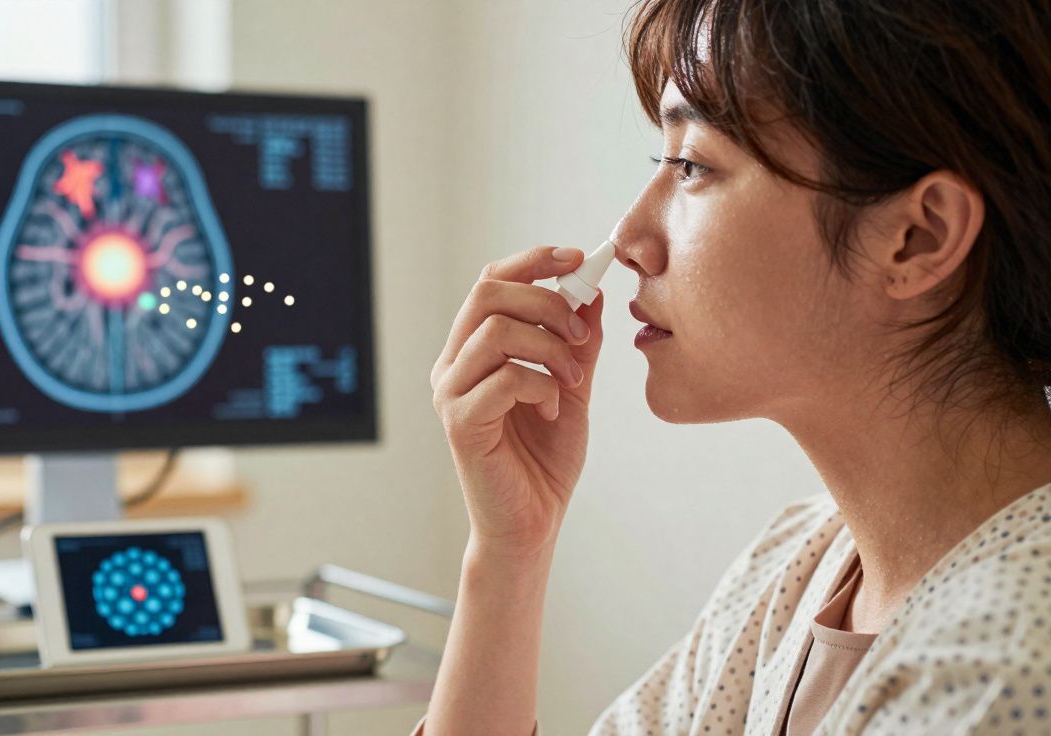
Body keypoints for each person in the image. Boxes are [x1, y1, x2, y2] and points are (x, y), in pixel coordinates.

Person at [412, 0, 1051, 733]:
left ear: (916, 237)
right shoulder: (798, 566)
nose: (627, 239)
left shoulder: (1004, 671)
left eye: (691, 164)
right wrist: (508, 554)